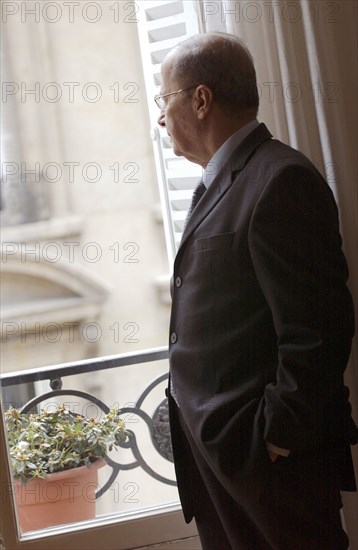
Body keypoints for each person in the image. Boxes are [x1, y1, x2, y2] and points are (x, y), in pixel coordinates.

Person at [156, 32, 357, 550]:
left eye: (164, 99)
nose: (160, 118)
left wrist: (276, 438)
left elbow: (317, 330)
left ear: (200, 100)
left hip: (268, 469)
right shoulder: (223, 182)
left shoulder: (280, 179)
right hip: (223, 461)